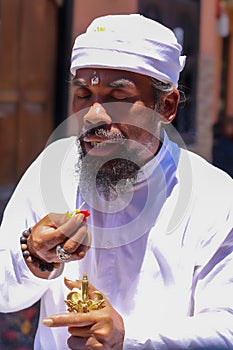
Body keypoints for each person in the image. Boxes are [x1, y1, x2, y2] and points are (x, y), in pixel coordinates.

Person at [0, 13, 233, 350]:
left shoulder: (216, 197)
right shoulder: (54, 166)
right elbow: (5, 296)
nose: (94, 115)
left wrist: (129, 339)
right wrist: (34, 255)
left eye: (118, 97)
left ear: (166, 106)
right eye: (83, 94)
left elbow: (226, 329)